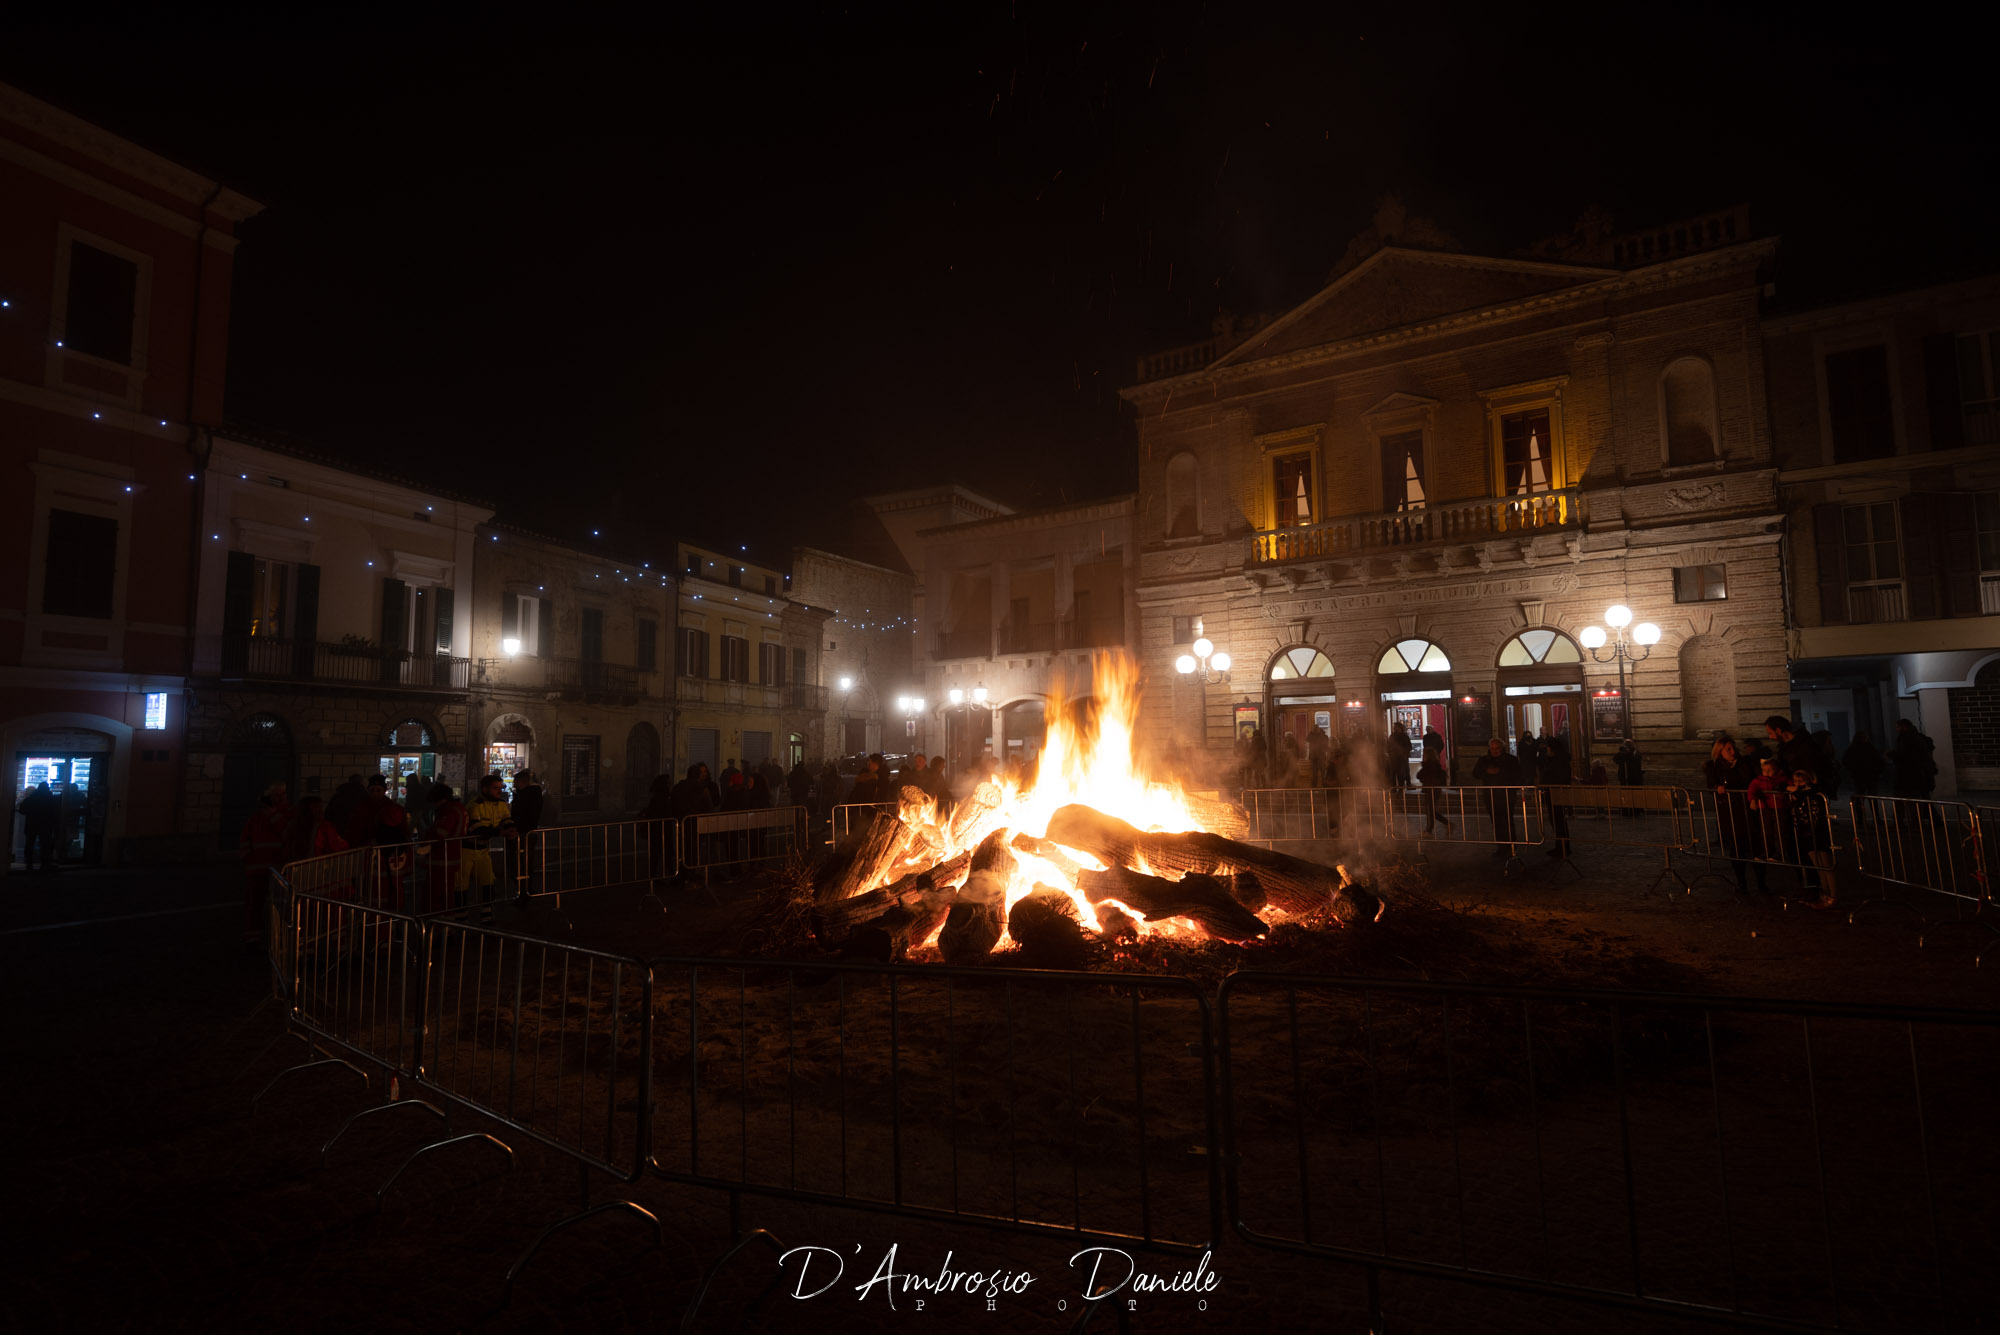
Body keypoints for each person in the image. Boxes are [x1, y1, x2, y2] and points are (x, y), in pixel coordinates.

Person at [1703, 736, 1766, 895]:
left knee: (1755, 847)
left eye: (1733, 748)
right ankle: (1741, 883)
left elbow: (1752, 781)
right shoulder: (1713, 766)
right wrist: (1717, 787)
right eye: (1728, 749)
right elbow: (1711, 785)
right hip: (1730, 812)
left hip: (1748, 810)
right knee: (1737, 849)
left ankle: (1762, 884)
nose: (1733, 751)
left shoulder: (1744, 762)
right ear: (1719, 752)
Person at [239, 781, 292, 948]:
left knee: (281, 904)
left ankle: (280, 937)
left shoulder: (288, 813)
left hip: (279, 867)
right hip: (259, 868)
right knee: (255, 903)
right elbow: (245, 839)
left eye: (281, 795)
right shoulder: (257, 816)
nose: (279, 798)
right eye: (275, 795)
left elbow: (288, 833)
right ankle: (253, 937)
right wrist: (248, 859)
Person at [1787, 766, 1837, 908]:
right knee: (1818, 865)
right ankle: (1825, 894)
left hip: (1818, 831)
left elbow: (1810, 792)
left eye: (1801, 781)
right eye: (1795, 781)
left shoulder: (1814, 792)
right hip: (1805, 832)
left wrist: (1797, 790)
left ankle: (1833, 895)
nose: (1797, 784)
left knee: (1826, 864)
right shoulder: (1799, 794)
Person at [1468, 737, 1523, 854]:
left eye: (1497, 748)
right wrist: (1486, 772)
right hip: (1491, 795)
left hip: (1506, 795)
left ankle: (1512, 844)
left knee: (1507, 820)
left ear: (1502, 748)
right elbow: (1475, 773)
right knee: (1496, 821)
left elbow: (1517, 775)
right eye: (1492, 749)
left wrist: (1501, 773)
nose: (1495, 751)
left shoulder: (1511, 760)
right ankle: (1501, 845)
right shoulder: (1484, 760)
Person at [425, 783, 469, 917]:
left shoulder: (448, 811)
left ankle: (437, 926)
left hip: (442, 856)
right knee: (447, 892)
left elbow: (440, 833)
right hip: (452, 856)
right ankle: (447, 925)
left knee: (436, 894)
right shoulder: (459, 808)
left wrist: (426, 838)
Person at [1746, 756, 1793, 870]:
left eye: (1769, 770)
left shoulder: (1782, 779)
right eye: (1764, 770)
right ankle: (1766, 852)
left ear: (1776, 769)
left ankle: (1780, 853)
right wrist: (1752, 799)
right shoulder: (1759, 780)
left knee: (1779, 832)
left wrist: (1787, 794)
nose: (1766, 773)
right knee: (1765, 831)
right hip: (1765, 808)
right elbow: (1752, 789)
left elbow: (1790, 786)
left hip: (1779, 808)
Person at [283, 795, 348, 866]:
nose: (321, 810)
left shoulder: (293, 826)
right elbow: (337, 846)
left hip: (296, 868)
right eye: (319, 807)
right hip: (318, 868)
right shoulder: (324, 826)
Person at [509, 769, 544, 891]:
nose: (513, 784)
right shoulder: (530, 794)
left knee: (522, 864)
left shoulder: (526, 796)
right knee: (524, 863)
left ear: (521, 782)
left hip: (524, 832)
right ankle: (525, 889)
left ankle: (525, 889)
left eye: (515, 782)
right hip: (527, 832)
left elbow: (523, 813)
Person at [1538, 736, 1572, 859]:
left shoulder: (1558, 761)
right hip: (1552, 793)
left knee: (1558, 821)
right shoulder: (1555, 760)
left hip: (1556, 794)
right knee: (1557, 821)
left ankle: (1563, 847)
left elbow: (1555, 777)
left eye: (1547, 747)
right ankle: (1561, 846)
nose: (1546, 750)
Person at [1764, 717, 1819, 787]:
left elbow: (1814, 768)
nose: (1770, 737)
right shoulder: (1782, 748)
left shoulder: (1805, 744)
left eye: (1770, 733)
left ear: (1778, 730)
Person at [1890, 719, 1938, 798]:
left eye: (1898, 727)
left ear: (1904, 726)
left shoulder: (1906, 738)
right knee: (1923, 798)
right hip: (1920, 773)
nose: (1897, 729)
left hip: (1911, 774)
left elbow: (1906, 757)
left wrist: (1893, 755)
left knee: (1913, 799)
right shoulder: (1917, 737)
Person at [19, 781, 60, 873]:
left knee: (30, 843)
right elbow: (56, 812)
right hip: (46, 825)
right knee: (45, 844)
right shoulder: (51, 799)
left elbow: (22, 810)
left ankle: (29, 863)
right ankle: (45, 863)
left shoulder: (32, 798)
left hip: (32, 824)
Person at [1415, 749, 1451, 834]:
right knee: (1430, 810)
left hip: (1431, 790)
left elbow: (1420, 775)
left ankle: (1430, 829)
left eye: (1424, 754)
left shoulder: (1429, 765)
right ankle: (1444, 824)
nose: (1422, 756)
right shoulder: (1434, 764)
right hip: (1433, 790)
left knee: (1430, 810)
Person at [324, 774, 368, 840]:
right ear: (361, 782)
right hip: (357, 829)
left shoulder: (339, 793)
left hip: (339, 827)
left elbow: (329, 813)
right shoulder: (364, 795)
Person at [1843, 732, 1884, 797]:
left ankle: (1860, 806)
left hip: (1861, 775)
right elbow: (1878, 760)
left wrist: (1853, 769)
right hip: (1869, 775)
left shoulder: (1853, 748)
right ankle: (1871, 806)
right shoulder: (1869, 747)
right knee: (1870, 794)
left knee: (1861, 794)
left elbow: (1845, 761)